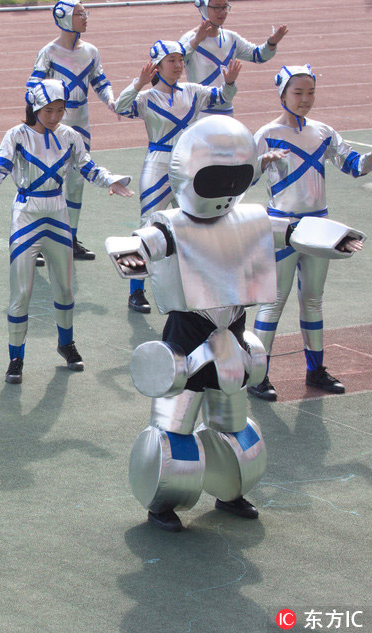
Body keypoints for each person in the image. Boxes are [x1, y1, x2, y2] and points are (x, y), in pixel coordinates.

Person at [105, 115, 360, 532]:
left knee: (233, 421)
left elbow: (291, 229)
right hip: (187, 336)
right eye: (216, 179)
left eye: (233, 179)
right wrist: (131, 254)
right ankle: (162, 500)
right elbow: (143, 241)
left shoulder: (250, 219)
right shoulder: (173, 223)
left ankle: (232, 490)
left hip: (233, 336)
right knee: (175, 425)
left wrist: (333, 237)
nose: (225, 189)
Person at [0, 80, 132, 384]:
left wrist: (111, 180)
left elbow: (88, 167)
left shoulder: (70, 136)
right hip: (26, 215)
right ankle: (16, 358)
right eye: (49, 110)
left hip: (58, 213)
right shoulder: (16, 135)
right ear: (35, 107)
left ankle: (66, 344)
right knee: (21, 293)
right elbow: (0, 170)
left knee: (64, 289)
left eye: (61, 110)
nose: (55, 116)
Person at [249, 65, 370, 401]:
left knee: (313, 300)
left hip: (319, 228)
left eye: (310, 92)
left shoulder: (324, 132)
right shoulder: (266, 133)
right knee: (273, 304)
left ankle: (315, 370)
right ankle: (258, 375)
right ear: (282, 94)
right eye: (298, 93)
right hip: (281, 228)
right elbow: (245, 179)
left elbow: (354, 165)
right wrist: (261, 161)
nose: (305, 99)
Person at [113, 40, 239, 313]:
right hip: (157, 163)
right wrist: (138, 83)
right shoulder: (146, 98)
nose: (179, 65)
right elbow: (120, 107)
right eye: (172, 60)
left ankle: (198, 286)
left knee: (195, 224)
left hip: (187, 165)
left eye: (181, 60)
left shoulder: (193, 92)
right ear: (157, 66)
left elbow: (223, 97)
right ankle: (136, 291)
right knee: (147, 226)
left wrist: (229, 83)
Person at [27, 0, 115, 262]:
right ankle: (39, 241)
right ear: (64, 18)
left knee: (76, 184)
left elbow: (100, 81)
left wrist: (111, 99)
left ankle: (70, 239)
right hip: (53, 123)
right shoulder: (49, 52)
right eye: (80, 14)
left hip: (81, 122)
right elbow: (32, 88)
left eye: (85, 12)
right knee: (44, 181)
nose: (85, 17)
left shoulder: (91, 51)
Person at [180, 0, 287, 117]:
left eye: (225, 7)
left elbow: (258, 55)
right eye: (217, 8)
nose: (223, 12)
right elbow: (176, 63)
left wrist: (271, 43)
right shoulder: (188, 39)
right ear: (203, 8)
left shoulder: (231, 38)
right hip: (199, 113)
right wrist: (196, 41)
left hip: (227, 112)